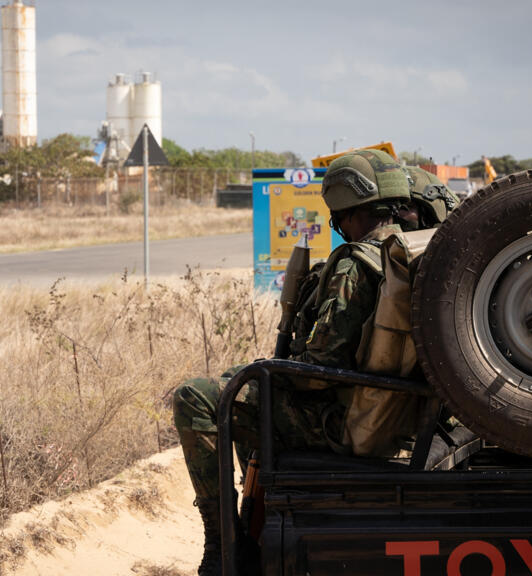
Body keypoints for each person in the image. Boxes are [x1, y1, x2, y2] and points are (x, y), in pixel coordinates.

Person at [172, 149, 415, 576]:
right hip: (383, 414)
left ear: (344, 205)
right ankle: (255, 527)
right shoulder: (406, 251)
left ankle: (223, 543)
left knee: (200, 397)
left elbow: (318, 370)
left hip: (335, 421)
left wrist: (270, 369)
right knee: (246, 387)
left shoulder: (355, 265)